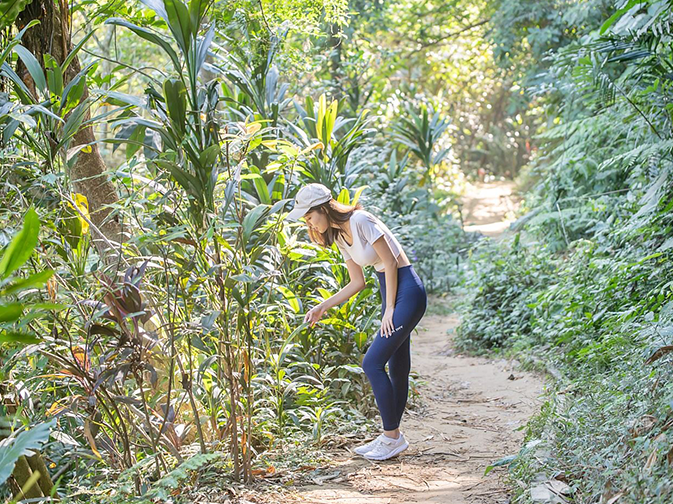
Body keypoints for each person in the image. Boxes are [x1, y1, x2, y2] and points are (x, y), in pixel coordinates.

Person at [284, 182, 428, 461]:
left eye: (310, 216)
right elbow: (357, 282)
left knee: (371, 363)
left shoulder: (361, 220)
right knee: (397, 366)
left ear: (324, 209)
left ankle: (391, 437)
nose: (309, 224)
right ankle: (392, 436)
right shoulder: (340, 237)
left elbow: (390, 261)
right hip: (392, 290)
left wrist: (389, 309)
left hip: (407, 290)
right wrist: (321, 307)